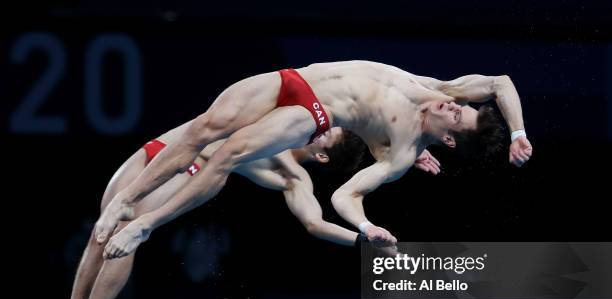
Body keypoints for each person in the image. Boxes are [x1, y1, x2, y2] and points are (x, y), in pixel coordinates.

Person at [50, 124, 441, 299]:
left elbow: (313, 223)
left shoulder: (293, 175)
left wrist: (361, 237)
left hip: (194, 169)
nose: (323, 128)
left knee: (127, 230)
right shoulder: (290, 122)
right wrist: (406, 146)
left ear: (322, 155)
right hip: (161, 148)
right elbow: (368, 115)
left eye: (327, 136)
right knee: (98, 237)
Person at [96, 61, 531, 258]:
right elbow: (499, 82)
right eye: (459, 105)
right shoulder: (440, 88)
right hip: (296, 77)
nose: (452, 106)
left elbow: (345, 196)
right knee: (203, 128)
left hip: (313, 112)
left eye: (457, 116)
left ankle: (144, 225)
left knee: (227, 153)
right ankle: (125, 201)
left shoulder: (400, 155)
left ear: (451, 142)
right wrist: (518, 132)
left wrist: (364, 228)